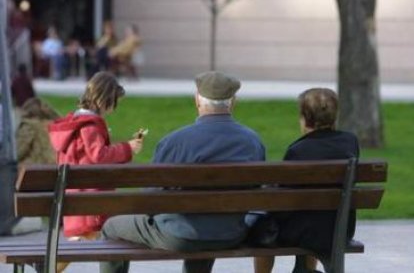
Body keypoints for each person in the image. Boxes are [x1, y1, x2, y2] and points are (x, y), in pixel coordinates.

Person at [99, 71, 266, 273]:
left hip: (179, 235)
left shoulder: (175, 142)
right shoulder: (252, 142)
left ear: (197, 100)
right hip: (231, 234)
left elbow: (150, 199)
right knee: (205, 223)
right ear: (233, 102)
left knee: (111, 227)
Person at [254, 88, 360, 273]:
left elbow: (284, 201)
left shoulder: (298, 150)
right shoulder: (350, 142)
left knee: (263, 225)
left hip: (305, 232)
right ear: (335, 116)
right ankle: (303, 269)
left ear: (304, 118)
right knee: (311, 215)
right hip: (339, 230)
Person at [48, 71, 145, 272]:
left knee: (82, 240)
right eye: (113, 103)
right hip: (91, 201)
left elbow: (87, 155)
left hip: (78, 197)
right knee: (114, 237)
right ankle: (49, 269)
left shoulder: (76, 123)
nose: (113, 109)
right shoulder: (89, 125)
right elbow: (98, 155)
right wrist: (127, 148)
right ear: (103, 100)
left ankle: (50, 268)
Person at [16, 97, 59, 165]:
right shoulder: (55, 125)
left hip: (34, 169)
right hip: (55, 166)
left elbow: (19, 152)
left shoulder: (28, 125)